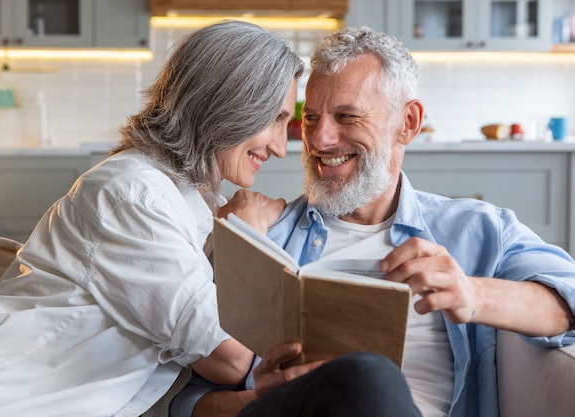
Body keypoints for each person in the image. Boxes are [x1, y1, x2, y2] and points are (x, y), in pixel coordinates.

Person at [170, 26, 575, 417]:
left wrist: (472, 295)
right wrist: (258, 399)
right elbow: (186, 403)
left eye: (346, 117)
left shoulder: (477, 231)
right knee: (363, 373)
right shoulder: (261, 235)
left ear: (408, 123)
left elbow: (567, 299)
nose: (319, 139)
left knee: (368, 375)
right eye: (310, 118)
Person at [0, 20, 306, 416]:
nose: (279, 145)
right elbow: (231, 358)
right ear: (229, 104)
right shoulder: (133, 195)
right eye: (274, 118)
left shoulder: (193, 198)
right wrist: (246, 232)